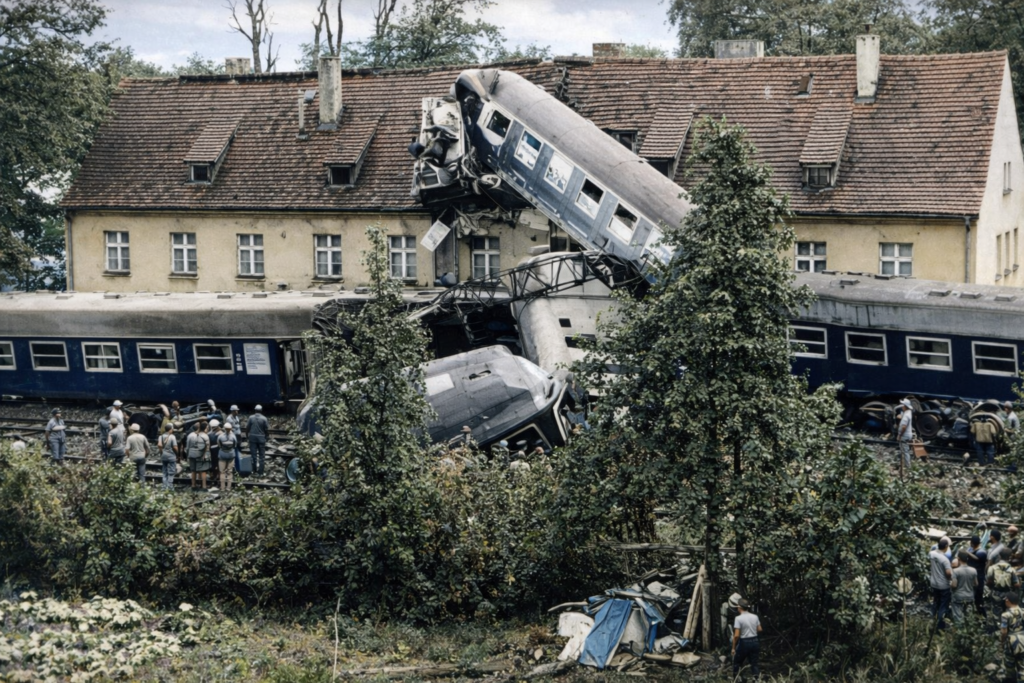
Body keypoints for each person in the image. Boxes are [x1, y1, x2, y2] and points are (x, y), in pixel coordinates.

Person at [732, 598, 762, 679]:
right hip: (755, 641)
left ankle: (737, 679)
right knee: (754, 664)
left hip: (744, 642)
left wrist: (733, 648)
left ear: (740, 607)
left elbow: (736, 636)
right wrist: (751, 630)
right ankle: (756, 680)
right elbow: (759, 629)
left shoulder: (738, 618)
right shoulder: (755, 616)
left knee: (737, 662)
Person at [990, 548, 1022, 618]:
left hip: (996, 594)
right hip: (1008, 595)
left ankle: (997, 623)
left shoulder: (992, 568)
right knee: (1008, 614)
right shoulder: (1012, 570)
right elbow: (1016, 584)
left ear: (999, 556)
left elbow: (988, 582)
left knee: (996, 613)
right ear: (1009, 557)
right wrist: (1020, 583)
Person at [930, 537, 953, 630]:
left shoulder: (931, 554)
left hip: (934, 583)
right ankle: (940, 626)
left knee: (936, 602)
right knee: (943, 605)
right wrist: (951, 579)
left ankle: (932, 622)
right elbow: (948, 573)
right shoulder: (945, 559)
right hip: (943, 585)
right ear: (946, 546)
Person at [950, 549, 979, 623]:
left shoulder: (956, 571)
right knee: (969, 617)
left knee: (958, 618)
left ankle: (960, 628)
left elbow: (954, 585)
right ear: (967, 559)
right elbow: (976, 584)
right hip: (970, 596)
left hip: (958, 596)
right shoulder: (973, 570)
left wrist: (950, 584)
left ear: (958, 559)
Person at [1002, 592, 1024, 682]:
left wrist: (1002, 642)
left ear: (1008, 600)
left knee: (1009, 664)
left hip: (1011, 640)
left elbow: (1004, 631)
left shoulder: (1005, 615)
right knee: (1022, 666)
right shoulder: (1023, 611)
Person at [966, 535, 989, 616]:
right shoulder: (971, 549)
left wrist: (967, 553)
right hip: (971, 575)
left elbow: (977, 558)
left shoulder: (981, 552)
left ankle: (982, 615)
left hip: (979, 576)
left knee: (978, 596)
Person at [186, 421, 211, 490]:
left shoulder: (190, 435)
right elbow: (207, 448)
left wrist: (188, 455)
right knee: (203, 470)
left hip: (191, 454)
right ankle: (204, 486)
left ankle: (193, 485)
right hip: (201, 455)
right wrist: (206, 456)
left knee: (193, 470)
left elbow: (187, 447)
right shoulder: (205, 436)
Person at [246, 405, 270, 476]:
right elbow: (266, 429)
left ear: (255, 410)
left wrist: (247, 435)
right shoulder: (264, 418)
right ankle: (261, 472)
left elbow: (247, 427)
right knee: (261, 456)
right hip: (261, 439)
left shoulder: (251, 418)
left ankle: (254, 471)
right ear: (261, 410)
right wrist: (266, 437)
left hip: (252, 438)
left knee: (253, 456)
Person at [217, 422, 238, 492]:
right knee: (230, 472)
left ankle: (222, 488)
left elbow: (219, 445)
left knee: (222, 472)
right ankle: (228, 487)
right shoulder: (233, 436)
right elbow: (235, 445)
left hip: (222, 455)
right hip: (231, 455)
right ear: (231, 428)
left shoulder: (220, 436)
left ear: (224, 428)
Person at [157, 424, 178, 490]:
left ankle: (164, 486)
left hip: (164, 455)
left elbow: (159, 446)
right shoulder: (172, 437)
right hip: (171, 455)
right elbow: (175, 447)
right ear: (170, 429)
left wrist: (161, 453)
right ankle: (170, 486)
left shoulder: (161, 436)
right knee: (171, 471)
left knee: (164, 470)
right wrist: (177, 453)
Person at [897, 399, 914, 469]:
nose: (902, 406)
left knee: (905, 451)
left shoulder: (906, 415)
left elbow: (903, 427)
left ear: (905, 406)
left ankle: (907, 466)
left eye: (903, 405)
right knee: (905, 450)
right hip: (908, 434)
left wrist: (899, 435)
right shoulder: (909, 412)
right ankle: (903, 464)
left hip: (904, 435)